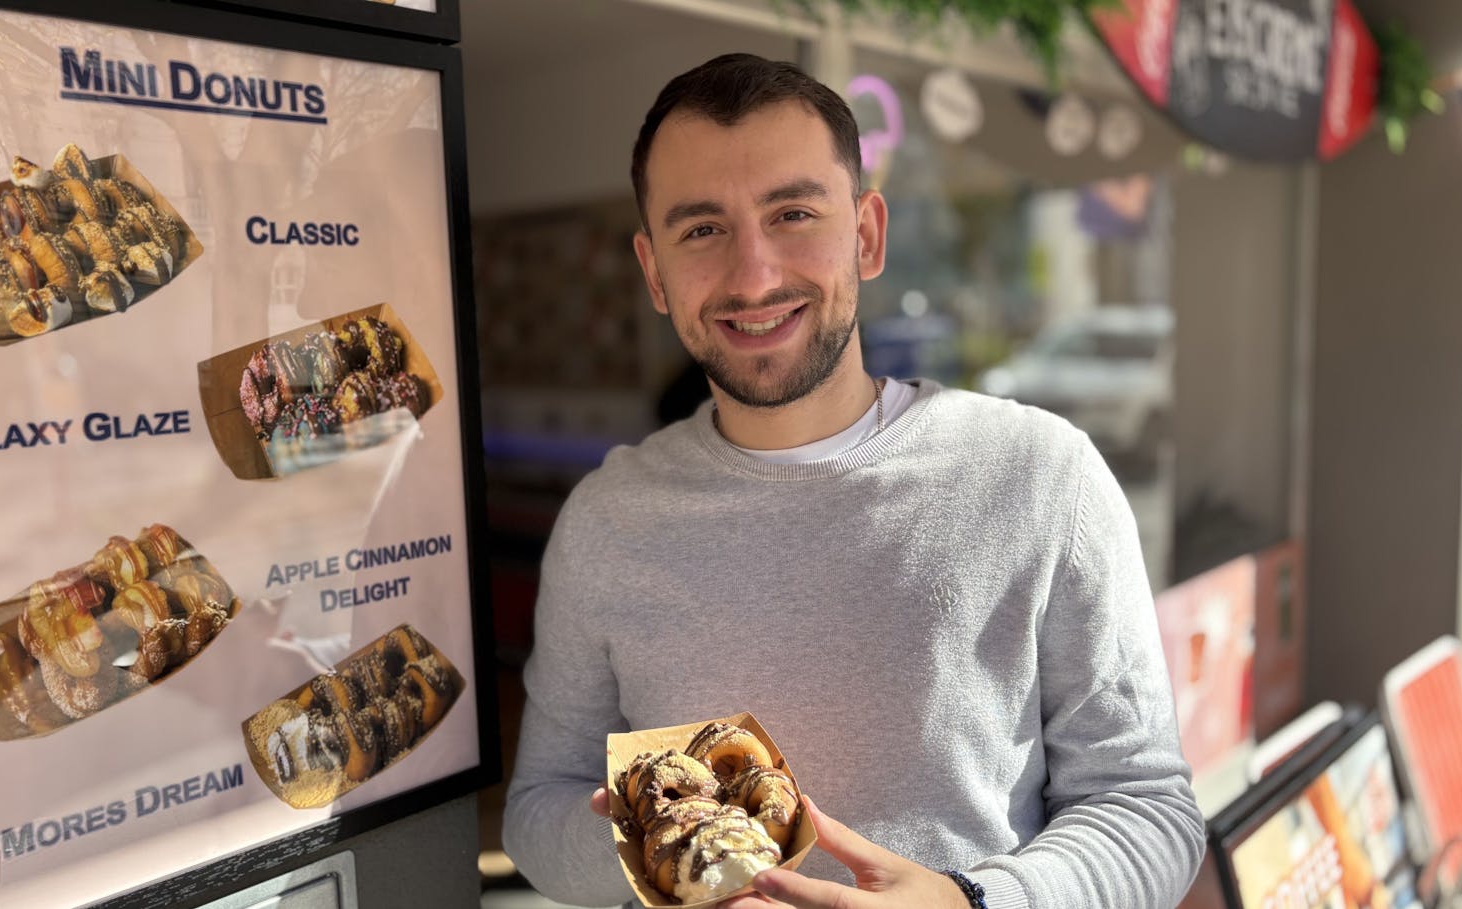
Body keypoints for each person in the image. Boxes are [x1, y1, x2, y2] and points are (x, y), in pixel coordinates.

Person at [502, 52, 1204, 909]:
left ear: (866, 234)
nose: (753, 274)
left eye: (792, 212)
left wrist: (973, 903)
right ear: (654, 271)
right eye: (701, 229)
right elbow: (539, 807)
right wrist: (678, 862)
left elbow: (1146, 807)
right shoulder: (606, 520)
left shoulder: (1040, 477)